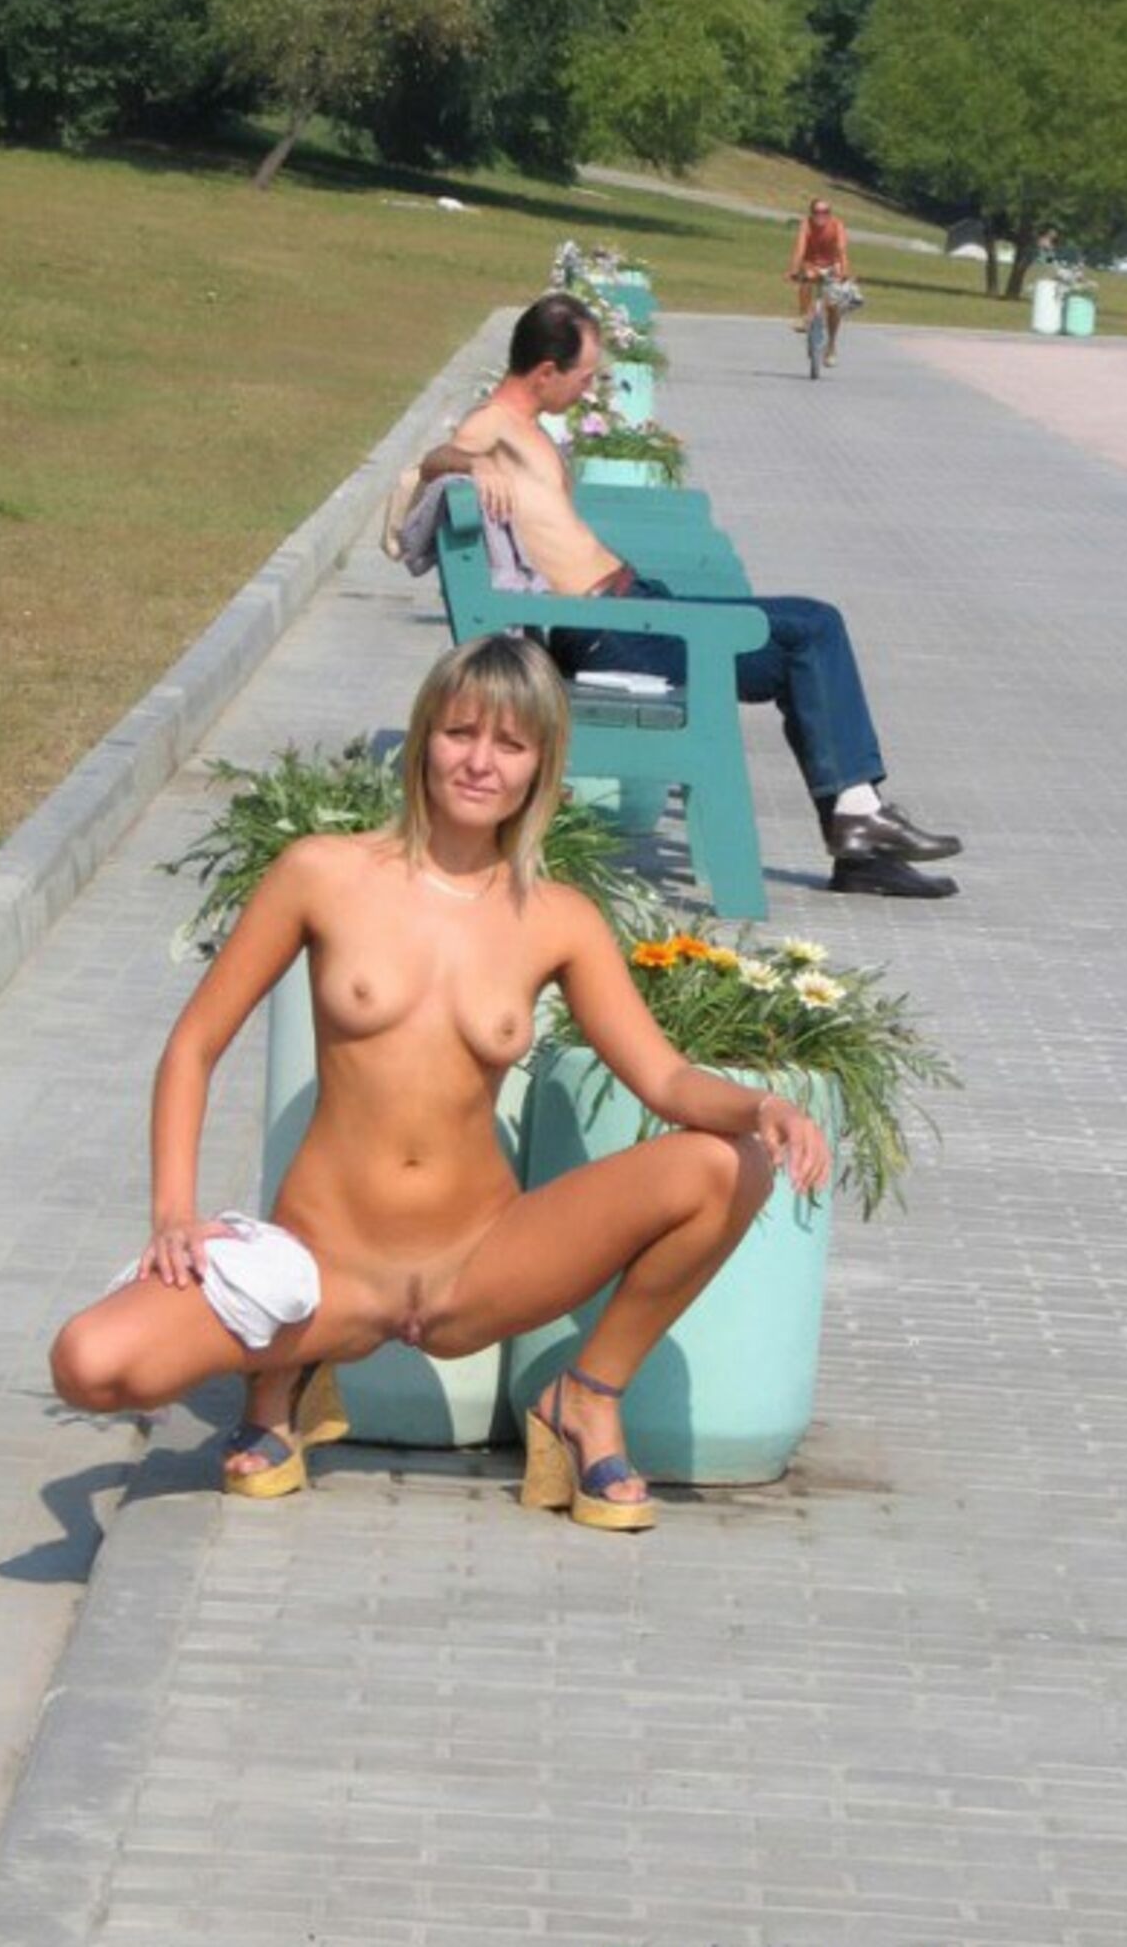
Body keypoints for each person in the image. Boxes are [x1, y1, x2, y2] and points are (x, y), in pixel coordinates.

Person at [50, 634, 831, 1534]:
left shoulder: (559, 918)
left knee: (730, 1166)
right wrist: (173, 1214)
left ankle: (586, 1398)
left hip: (477, 1261)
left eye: (511, 743)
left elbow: (663, 1076)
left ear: (541, 766)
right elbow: (194, 1043)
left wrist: (763, 1106)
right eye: (461, 732)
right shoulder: (322, 872)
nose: (480, 762)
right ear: (425, 737)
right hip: (329, 1268)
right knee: (89, 1363)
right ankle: (285, 1370)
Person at [416, 292, 964, 901]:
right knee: (812, 628)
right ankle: (856, 817)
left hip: (627, 612)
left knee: (805, 635)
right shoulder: (491, 427)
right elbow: (430, 464)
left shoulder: (522, 428)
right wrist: (465, 463)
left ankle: (858, 835)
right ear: (546, 371)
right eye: (584, 376)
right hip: (608, 631)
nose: (590, 389)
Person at [788, 197, 852, 365]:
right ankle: (803, 316)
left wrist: (844, 271)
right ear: (811, 213)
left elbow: (842, 250)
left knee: (833, 305)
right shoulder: (806, 225)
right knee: (806, 277)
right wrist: (793, 269)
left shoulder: (837, 225)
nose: (821, 215)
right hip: (812, 263)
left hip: (832, 264)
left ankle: (831, 347)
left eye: (825, 212)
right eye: (816, 212)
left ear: (830, 214)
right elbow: (800, 249)